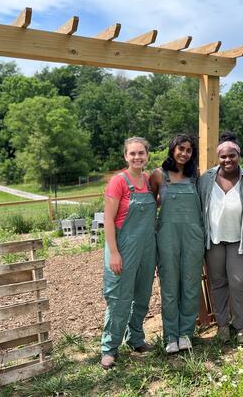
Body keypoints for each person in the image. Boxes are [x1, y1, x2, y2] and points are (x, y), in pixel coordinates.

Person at [198, 132, 243, 344]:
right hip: (214, 241)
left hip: (239, 242)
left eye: (232, 155)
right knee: (217, 283)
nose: (228, 160)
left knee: (239, 282)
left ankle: (242, 325)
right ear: (218, 157)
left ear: (239, 155)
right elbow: (200, 209)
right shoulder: (206, 179)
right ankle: (223, 325)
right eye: (223, 156)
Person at [100, 137, 157, 370]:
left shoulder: (149, 180)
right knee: (119, 300)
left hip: (146, 248)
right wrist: (113, 253)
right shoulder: (118, 182)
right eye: (132, 153)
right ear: (125, 156)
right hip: (122, 248)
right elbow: (108, 220)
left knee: (142, 296)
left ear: (147, 156)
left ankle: (135, 339)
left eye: (141, 153)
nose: (137, 157)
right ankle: (109, 348)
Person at [150, 134, 205, 354]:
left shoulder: (196, 176)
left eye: (189, 150)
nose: (184, 153)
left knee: (191, 286)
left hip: (193, 237)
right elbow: (149, 207)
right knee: (170, 287)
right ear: (172, 149)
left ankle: (186, 334)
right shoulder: (158, 175)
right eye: (180, 148)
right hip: (167, 237)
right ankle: (170, 336)